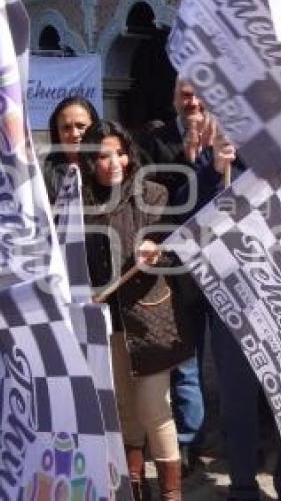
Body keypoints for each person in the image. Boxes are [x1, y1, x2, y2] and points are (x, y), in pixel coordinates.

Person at [178, 129, 281, 501]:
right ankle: (243, 488)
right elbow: (182, 219)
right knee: (238, 406)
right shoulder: (215, 163)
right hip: (234, 308)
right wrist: (214, 170)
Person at [80, 119, 193, 500]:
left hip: (149, 318)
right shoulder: (81, 205)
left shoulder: (155, 194)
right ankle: (133, 488)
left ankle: (172, 494)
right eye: (101, 156)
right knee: (124, 412)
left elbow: (176, 246)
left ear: (129, 155)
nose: (112, 162)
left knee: (154, 410)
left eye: (118, 153)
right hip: (106, 321)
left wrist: (157, 252)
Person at [136, 78, 215, 476]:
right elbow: (156, 196)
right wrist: (187, 159)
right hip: (176, 268)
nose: (193, 101)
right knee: (185, 359)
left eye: (200, 94)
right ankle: (187, 443)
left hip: (222, 265)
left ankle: (242, 436)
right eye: (185, 94)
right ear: (174, 99)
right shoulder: (157, 140)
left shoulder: (228, 138)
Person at [43, 96, 99, 201]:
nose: (74, 134)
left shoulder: (107, 167)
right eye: (66, 128)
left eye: (81, 126)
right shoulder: (43, 175)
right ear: (57, 133)